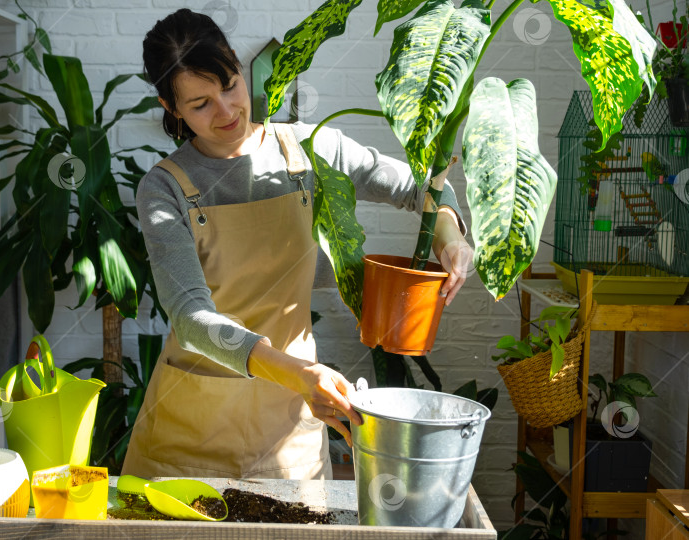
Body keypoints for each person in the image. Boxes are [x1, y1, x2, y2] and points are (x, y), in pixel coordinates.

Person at [122, 8, 473, 480]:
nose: (226, 110)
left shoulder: (308, 152)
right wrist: (299, 375)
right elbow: (190, 318)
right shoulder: (164, 189)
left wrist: (449, 234)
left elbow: (425, 188)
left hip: (290, 427)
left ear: (240, 69)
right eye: (201, 103)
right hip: (190, 434)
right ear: (172, 108)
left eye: (229, 85)